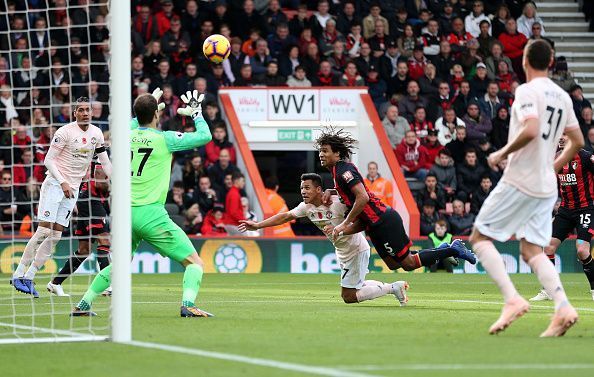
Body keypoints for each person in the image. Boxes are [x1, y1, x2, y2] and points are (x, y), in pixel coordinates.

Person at [468, 40, 583, 336]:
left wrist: (501, 153)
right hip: (546, 185)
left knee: (480, 236)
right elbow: (578, 141)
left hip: (521, 177)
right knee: (532, 249)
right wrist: (553, 167)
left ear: (525, 61)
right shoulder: (563, 96)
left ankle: (512, 300)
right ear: (551, 60)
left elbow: (531, 129)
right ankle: (563, 306)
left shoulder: (526, 91)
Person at [72, 89, 214, 318]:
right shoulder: (165, 139)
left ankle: (83, 304)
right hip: (151, 214)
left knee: (118, 264)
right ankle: (188, 304)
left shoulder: (124, 134)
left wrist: (147, 106)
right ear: (156, 115)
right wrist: (197, 112)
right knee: (194, 262)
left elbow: (136, 121)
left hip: (124, 213)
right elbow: (205, 136)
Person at [313, 127, 476, 272]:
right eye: (320, 151)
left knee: (409, 264)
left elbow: (362, 197)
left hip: (384, 220)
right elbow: (357, 206)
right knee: (393, 264)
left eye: (325, 150)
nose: (321, 154)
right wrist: (332, 193)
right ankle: (442, 250)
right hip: (372, 225)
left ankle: (453, 249)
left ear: (337, 153)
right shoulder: (337, 173)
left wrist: (343, 224)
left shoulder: (344, 171)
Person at [239, 173, 410, 306]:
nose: (303, 191)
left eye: (307, 188)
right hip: (342, 250)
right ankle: (393, 287)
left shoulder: (337, 202)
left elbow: (362, 217)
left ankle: (393, 287)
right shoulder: (306, 207)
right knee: (357, 285)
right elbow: (285, 216)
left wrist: (341, 228)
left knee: (349, 296)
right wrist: (258, 225)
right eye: (301, 188)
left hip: (355, 249)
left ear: (319, 189)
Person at [11, 97, 112, 297]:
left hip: (72, 190)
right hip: (55, 185)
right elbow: (48, 161)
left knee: (56, 236)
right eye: (81, 110)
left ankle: (30, 277)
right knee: (43, 231)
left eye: (87, 110)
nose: (85, 113)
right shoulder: (64, 132)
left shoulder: (96, 133)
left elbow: (106, 164)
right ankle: (18, 274)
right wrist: (63, 182)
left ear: (91, 113)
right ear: (74, 113)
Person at [530, 135, 594, 302]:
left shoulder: (586, 157)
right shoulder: (555, 158)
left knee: (582, 250)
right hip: (566, 210)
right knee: (548, 247)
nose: (559, 138)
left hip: (586, 209)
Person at [47, 166, 111, 297]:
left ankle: (55, 283)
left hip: (87, 200)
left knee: (84, 250)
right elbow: (100, 183)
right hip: (91, 200)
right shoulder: (103, 157)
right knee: (104, 241)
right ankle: (107, 285)